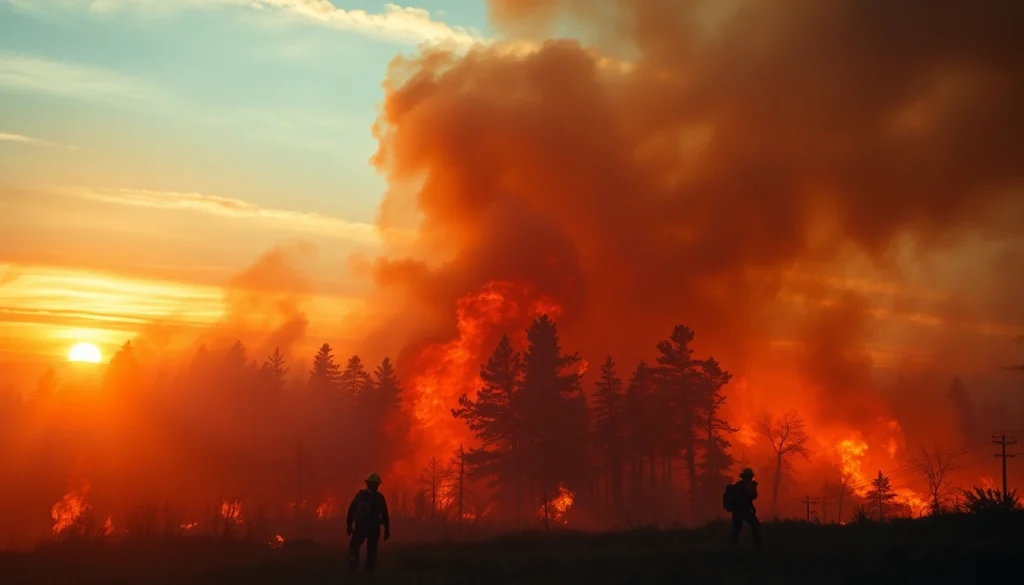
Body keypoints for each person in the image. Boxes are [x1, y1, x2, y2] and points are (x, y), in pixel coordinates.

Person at [346, 472, 391, 573]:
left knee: (355, 545)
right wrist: (387, 529)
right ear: (377, 485)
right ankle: (369, 570)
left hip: (360, 526)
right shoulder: (379, 497)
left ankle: (353, 558)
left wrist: (349, 525)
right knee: (372, 549)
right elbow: (384, 514)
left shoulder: (360, 495)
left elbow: (352, 510)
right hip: (374, 528)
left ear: (368, 484)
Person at [726, 467, 762, 548]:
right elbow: (752, 496)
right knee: (756, 525)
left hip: (737, 510)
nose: (750, 478)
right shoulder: (747, 485)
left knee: (736, 529)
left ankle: (731, 547)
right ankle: (758, 546)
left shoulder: (739, 484)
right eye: (749, 476)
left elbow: (748, 498)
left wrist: (752, 507)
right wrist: (754, 487)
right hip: (743, 510)